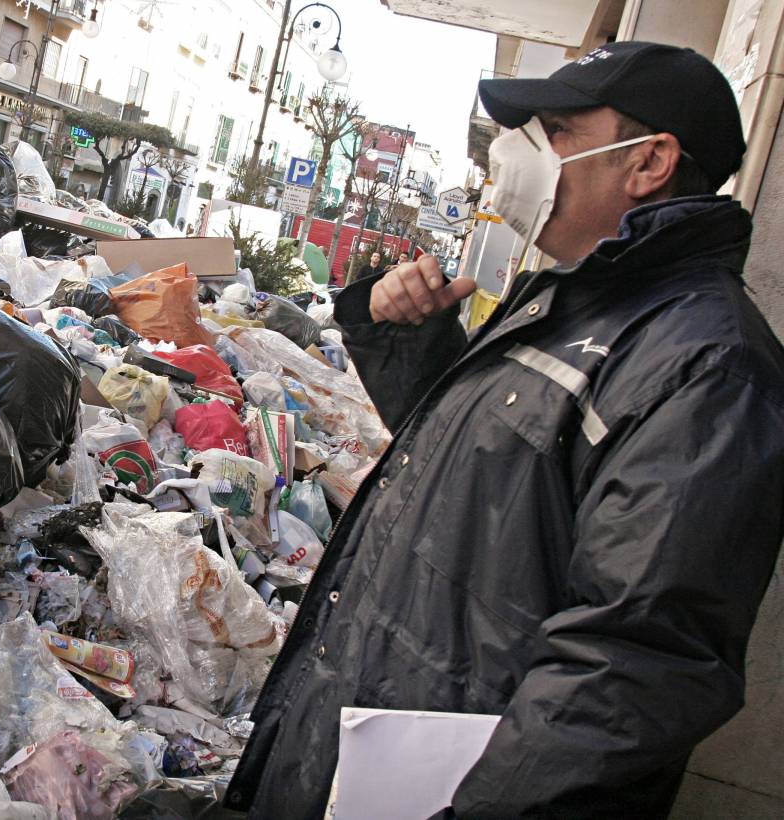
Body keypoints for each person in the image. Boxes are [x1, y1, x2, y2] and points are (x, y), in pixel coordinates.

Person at [227, 42, 784, 819]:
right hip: (359, 743)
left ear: (650, 162)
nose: (521, 154)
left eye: (556, 130)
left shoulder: (706, 366)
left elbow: (632, 669)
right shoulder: (562, 302)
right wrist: (405, 336)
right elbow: (480, 479)